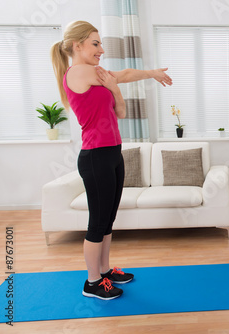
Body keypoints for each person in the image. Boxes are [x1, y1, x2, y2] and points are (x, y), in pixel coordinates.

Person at [50, 21, 172, 300]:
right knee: (98, 222)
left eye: (100, 44)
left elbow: (120, 108)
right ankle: (92, 282)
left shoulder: (94, 74)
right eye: (95, 43)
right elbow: (124, 74)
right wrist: (150, 73)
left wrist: (118, 89)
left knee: (108, 219)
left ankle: (104, 272)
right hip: (96, 157)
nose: (101, 50)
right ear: (76, 45)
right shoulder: (80, 71)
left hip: (112, 153)